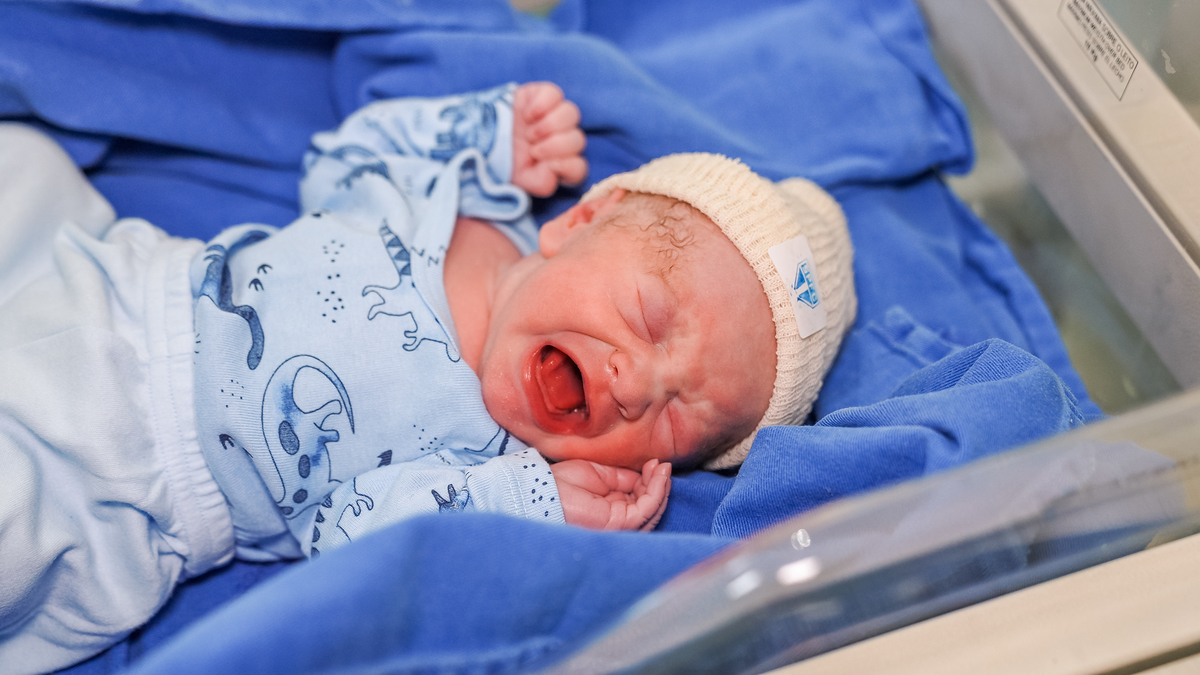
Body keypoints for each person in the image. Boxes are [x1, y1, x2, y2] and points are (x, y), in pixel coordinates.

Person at [0, 82, 854, 673]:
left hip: (127, 478)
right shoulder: (462, 203)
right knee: (25, 165)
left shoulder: (491, 464)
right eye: (648, 316)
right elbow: (340, 160)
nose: (637, 384)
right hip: (121, 279)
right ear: (581, 221)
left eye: (674, 420)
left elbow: (351, 537)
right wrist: (482, 134)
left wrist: (531, 503)